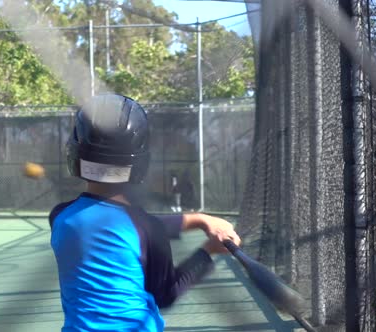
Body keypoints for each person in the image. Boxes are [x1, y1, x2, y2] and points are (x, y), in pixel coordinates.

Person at [49, 94, 241, 332]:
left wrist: (200, 220)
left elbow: (112, 224)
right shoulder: (147, 229)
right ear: (138, 163)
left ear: (76, 154)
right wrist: (208, 251)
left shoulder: (59, 217)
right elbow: (167, 294)